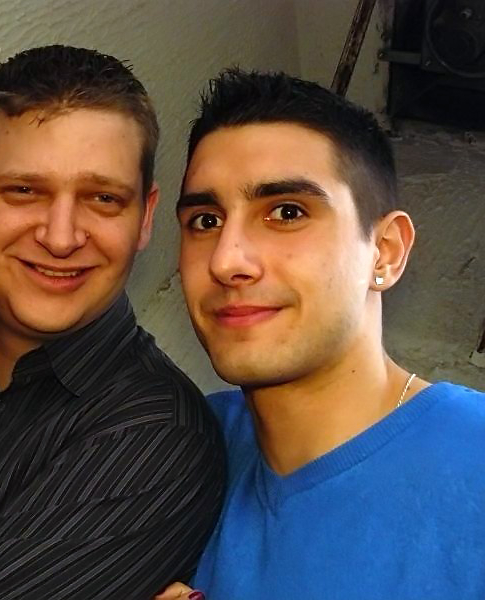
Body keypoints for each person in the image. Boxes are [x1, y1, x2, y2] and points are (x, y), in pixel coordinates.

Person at [0, 45, 225, 599]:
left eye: (102, 198)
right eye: (24, 190)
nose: (61, 237)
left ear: (145, 217)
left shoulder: (153, 437)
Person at [158, 69, 485, 599]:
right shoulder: (174, 448)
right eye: (205, 221)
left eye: (286, 212)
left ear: (385, 252)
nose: (226, 260)